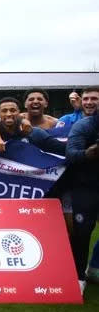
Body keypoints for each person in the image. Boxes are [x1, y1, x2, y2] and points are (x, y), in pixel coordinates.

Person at [65, 91, 99, 294]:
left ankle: (94, 267)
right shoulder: (83, 126)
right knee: (82, 233)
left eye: (94, 98)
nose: (89, 102)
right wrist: (89, 153)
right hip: (86, 187)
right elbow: (71, 156)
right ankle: (78, 277)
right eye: (86, 98)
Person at [0, 98, 65, 155]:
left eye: (13, 110)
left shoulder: (35, 133)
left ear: (19, 113)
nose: (8, 114)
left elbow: (64, 151)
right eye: (4, 111)